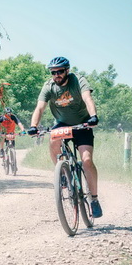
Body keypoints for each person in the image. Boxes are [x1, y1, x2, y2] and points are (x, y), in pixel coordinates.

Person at [26, 57, 103, 218]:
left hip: (83, 124)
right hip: (62, 125)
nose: (57, 75)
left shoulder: (78, 80)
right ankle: (61, 173)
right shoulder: (49, 86)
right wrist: (33, 126)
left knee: (87, 160)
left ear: (67, 70)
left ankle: (94, 199)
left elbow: (87, 98)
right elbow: (40, 108)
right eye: (53, 72)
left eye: (60, 71)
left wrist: (93, 116)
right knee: (53, 139)